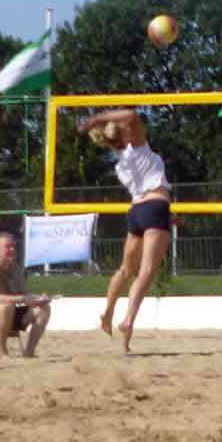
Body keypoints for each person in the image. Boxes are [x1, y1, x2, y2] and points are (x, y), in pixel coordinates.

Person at [79, 109, 171, 354]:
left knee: (125, 269)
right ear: (124, 134)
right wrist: (96, 119)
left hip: (137, 211)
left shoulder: (121, 165)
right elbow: (131, 114)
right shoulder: (138, 148)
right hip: (155, 206)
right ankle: (128, 320)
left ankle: (108, 312)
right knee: (146, 271)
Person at [0, 232, 53, 358]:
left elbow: (25, 294)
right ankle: (1, 351)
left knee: (43, 309)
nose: (12, 249)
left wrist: (39, 299)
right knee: (5, 306)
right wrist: (22, 299)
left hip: (8, 312)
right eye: (7, 246)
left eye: (13, 246)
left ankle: (29, 352)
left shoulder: (15, 269)